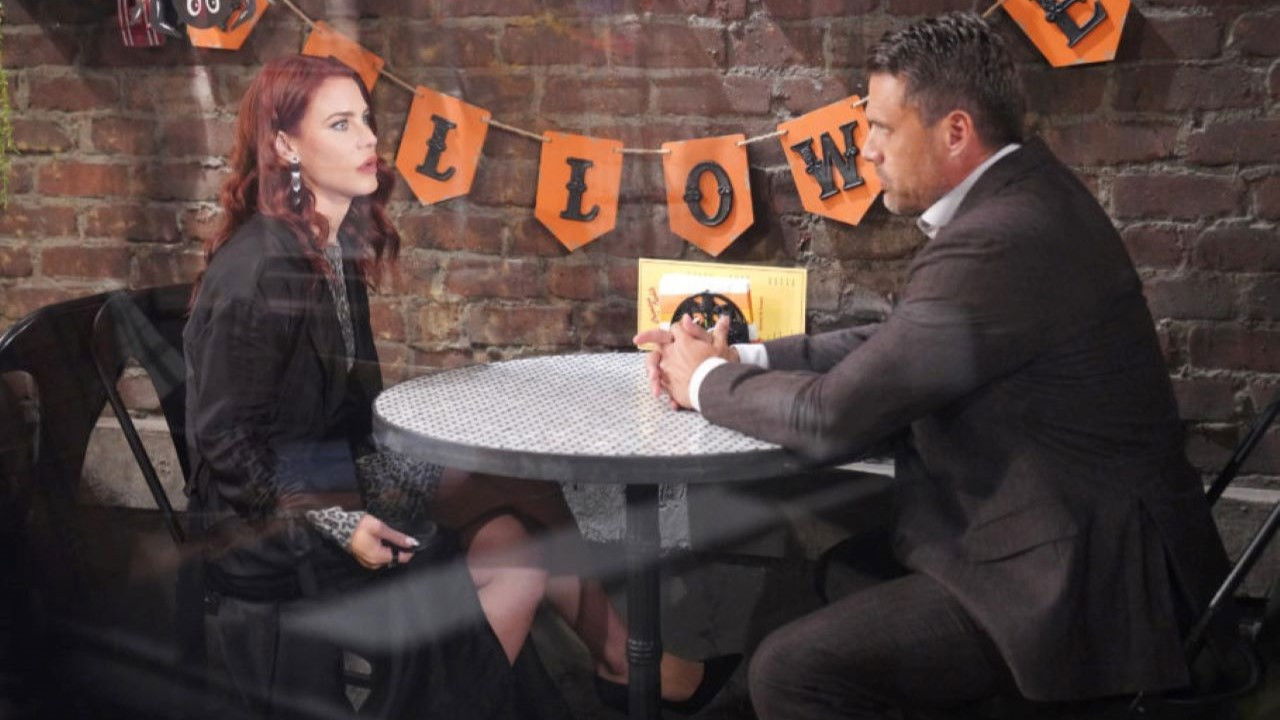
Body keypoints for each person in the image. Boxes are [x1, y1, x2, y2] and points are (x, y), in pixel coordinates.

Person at [637, 12, 1229, 719]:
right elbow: (899, 344)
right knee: (831, 584)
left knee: (791, 672)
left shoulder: (1002, 237)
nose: (866, 152)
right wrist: (741, 355)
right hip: (1052, 540)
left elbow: (831, 418)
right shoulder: (1026, 196)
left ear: (954, 132)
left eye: (882, 129)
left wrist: (702, 380)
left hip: (1081, 588)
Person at [185, 54, 733, 719]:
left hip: (334, 471)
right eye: (340, 124)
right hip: (273, 523)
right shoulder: (258, 270)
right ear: (284, 146)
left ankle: (620, 664)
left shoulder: (328, 247)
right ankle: (624, 664)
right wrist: (341, 520)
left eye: (365, 119)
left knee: (516, 521)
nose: (368, 139)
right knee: (515, 521)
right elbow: (225, 441)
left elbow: (343, 411)